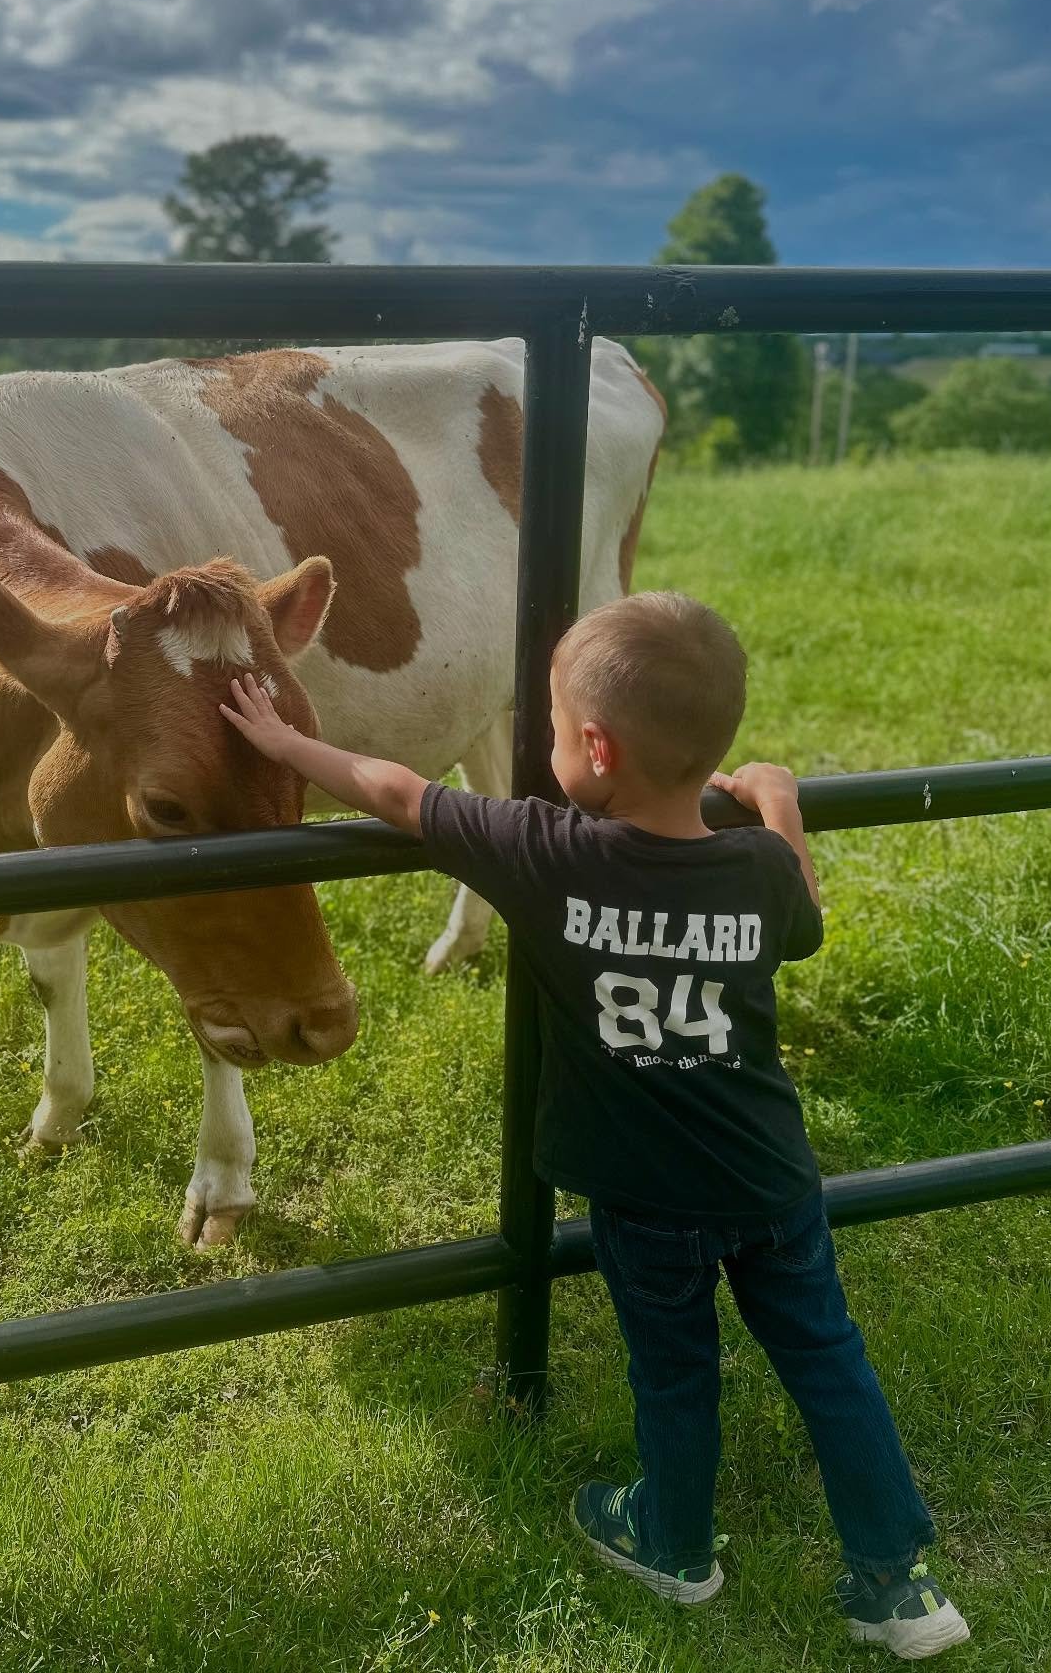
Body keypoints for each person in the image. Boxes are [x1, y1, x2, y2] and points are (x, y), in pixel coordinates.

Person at [220, 589, 971, 1661]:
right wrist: (778, 798)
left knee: (674, 1367)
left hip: (643, 1196)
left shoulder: (543, 852)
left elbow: (394, 793)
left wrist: (288, 741)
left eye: (554, 730)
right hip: (770, 1179)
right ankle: (899, 1587)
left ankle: (673, 1542)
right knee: (828, 1360)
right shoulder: (753, 865)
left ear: (593, 746)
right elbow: (802, 916)